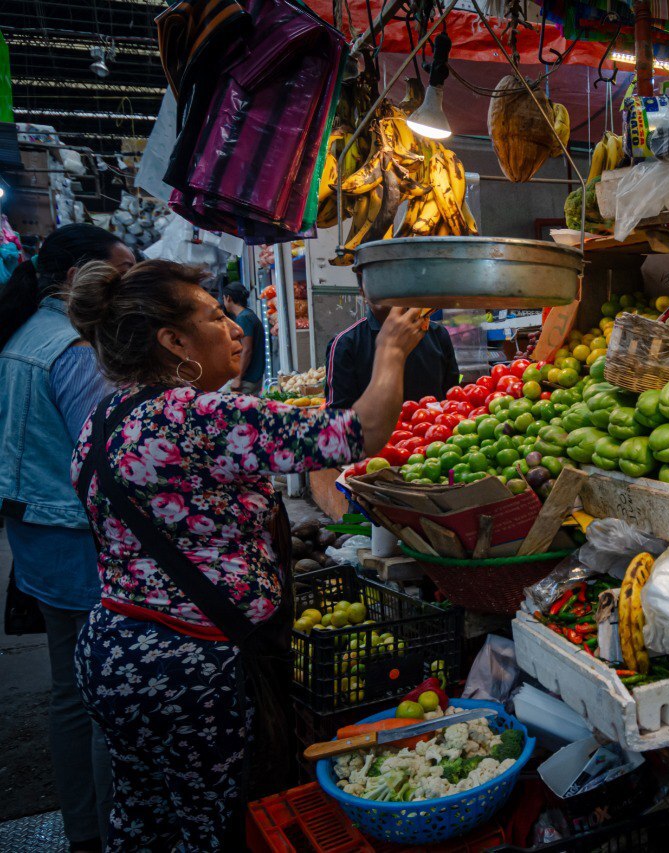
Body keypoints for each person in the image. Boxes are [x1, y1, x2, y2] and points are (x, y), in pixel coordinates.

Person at [66, 258, 426, 850]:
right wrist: (390, 349)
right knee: (215, 828)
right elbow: (357, 432)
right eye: (215, 317)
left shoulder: (104, 418)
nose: (236, 328)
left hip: (115, 652)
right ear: (173, 341)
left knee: (144, 819)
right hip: (189, 667)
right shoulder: (199, 414)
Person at [0, 223, 136, 853]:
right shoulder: (72, 349)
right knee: (103, 703)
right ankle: (106, 836)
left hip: (37, 534)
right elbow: (110, 453)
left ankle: (84, 832)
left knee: (71, 694)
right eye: (124, 268)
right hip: (76, 537)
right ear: (84, 276)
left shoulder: (25, 336)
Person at [326, 272, 459, 409]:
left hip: (434, 429)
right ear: (363, 293)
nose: (381, 290)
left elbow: (453, 399)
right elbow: (338, 419)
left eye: (388, 281)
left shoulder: (438, 335)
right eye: (373, 283)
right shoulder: (344, 345)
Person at [222, 282, 266, 394]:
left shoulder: (244, 318)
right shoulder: (249, 314)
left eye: (223, 298)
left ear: (228, 298)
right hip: (253, 377)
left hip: (247, 380)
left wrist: (238, 378)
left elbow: (247, 350)